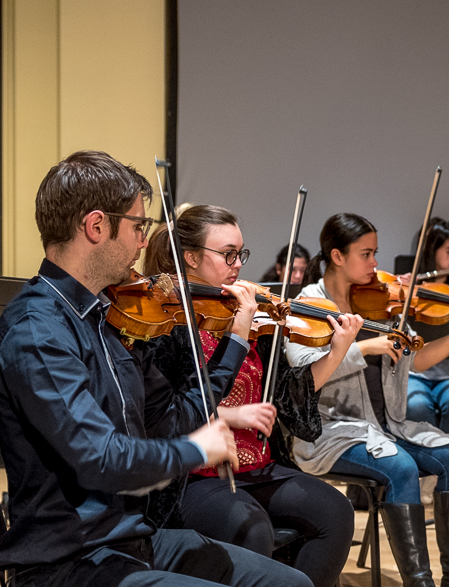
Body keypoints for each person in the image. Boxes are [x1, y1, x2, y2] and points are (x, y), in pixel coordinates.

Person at [0, 151, 312, 587]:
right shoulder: (38, 331)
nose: (144, 242)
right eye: (138, 227)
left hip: (129, 541)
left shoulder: (109, 318)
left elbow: (174, 417)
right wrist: (197, 451)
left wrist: (232, 342)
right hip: (69, 561)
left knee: (291, 584)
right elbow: (100, 459)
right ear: (96, 227)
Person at [139, 205, 356, 587]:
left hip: (255, 466)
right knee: (252, 528)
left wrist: (337, 351)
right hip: (193, 476)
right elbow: (159, 414)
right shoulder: (165, 322)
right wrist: (229, 416)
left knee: (336, 510)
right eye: (227, 254)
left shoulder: (253, 315)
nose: (238, 264)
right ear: (190, 257)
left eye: (241, 253)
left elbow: (289, 397)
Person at [285, 213, 449, 587]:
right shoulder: (308, 306)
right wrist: (362, 347)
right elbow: (305, 380)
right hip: (333, 434)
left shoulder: (380, 302)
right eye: (366, 254)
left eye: (375, 253)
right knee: (399, 467)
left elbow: (419, 359)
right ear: (337, 256)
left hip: (390, 427)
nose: (375, 264)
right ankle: (419, 581)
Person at [405, 218, 449, 439]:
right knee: (415, 405)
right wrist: (409, 292)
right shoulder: (410, 288)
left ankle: (447, 455)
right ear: (431, 252)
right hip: (416, 371)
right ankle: (424, 461)